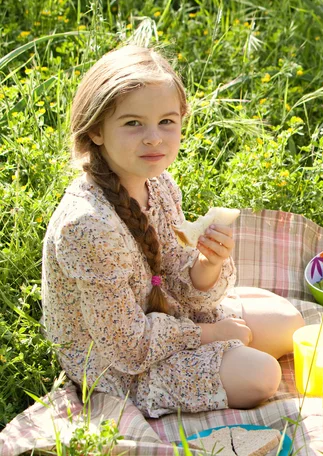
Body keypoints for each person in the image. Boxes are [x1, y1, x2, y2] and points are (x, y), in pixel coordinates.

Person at [42, 44, 305, 418]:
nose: (154, 138)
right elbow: (125, 347)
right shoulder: (86, 226)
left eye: (166, 121)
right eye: (133, 123)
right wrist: (212, 335)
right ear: (97, 130)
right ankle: (222, 361)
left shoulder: (158, 183)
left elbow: (173, 277)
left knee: (289, 323)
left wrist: (207, 263)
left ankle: (225, 357)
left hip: (163, 315)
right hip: (116, 360)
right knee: (263, 376)